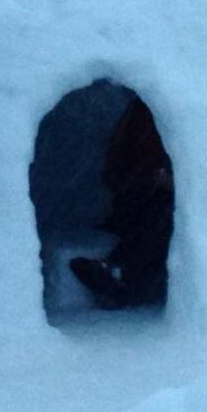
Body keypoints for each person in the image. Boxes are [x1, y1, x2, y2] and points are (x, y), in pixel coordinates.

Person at [69, 96, 174, 310]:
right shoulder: (143, 119)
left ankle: (124, 281)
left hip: (147, 202)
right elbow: (117, 172)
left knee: (167, 216)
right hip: (136, 204)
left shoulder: (148, 117)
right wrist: (155, 178)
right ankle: (117, 273)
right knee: (161, 215)